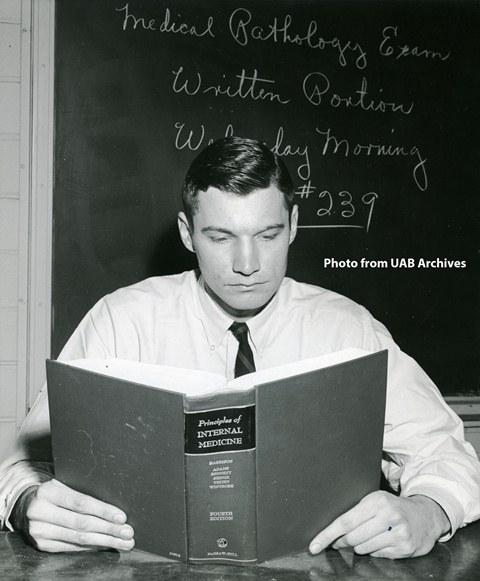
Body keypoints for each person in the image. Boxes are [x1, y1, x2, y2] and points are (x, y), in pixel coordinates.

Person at [1, 136, 479, 558]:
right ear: (188, 234)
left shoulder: (348, 329)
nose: (247, 264)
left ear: (293, 225)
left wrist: (428, 510)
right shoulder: (121, 320)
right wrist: (27, 505)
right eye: (221, 237)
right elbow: (19, 464)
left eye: (268, 235)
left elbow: (448, 451)